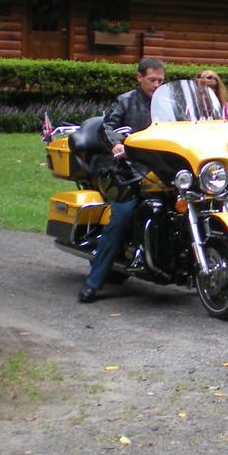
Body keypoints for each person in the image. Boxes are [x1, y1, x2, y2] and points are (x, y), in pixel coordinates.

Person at [79, 57, 166, 303]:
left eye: (161, 80)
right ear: (139, 78)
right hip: (126, 170)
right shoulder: (126, 101)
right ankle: (93, 283)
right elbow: (107, 127)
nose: (157, 85)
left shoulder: (169, 105)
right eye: (152, 80)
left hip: (162, 171)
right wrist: (118, 145)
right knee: (124, 213)